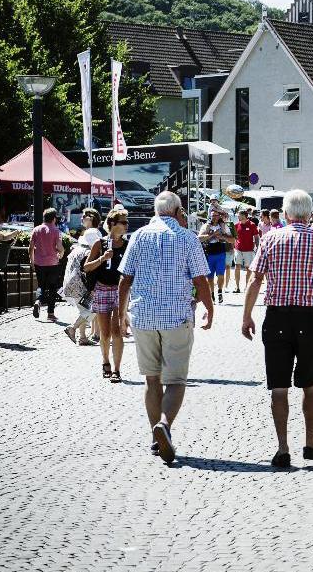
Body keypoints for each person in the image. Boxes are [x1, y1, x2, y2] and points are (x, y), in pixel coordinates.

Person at [243, 189, 313, 468]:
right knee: (310, 385)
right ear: (310, 214)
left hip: (277, 319)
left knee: (279, 388)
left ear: (285, 214)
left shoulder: (270, 239)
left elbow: (255, 280)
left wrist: (246, 315)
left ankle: (283, 448)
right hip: (309, 319)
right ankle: (310, 444)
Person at [118, 192, 214, 464]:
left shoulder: (138, 236)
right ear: (178, 211)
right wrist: (209, 307)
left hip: (144, 317)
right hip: (176, 317)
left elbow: (125, 279)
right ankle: (164, 425)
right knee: (175, 381)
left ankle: (154, 437)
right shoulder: (187, 237)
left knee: (151, 380)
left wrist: (121, 315)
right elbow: (200, 278)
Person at [84, 208, 129, 383]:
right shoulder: (100, 244)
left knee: (117, 331)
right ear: (112, 224)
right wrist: (103, 258)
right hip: (102, 289)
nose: (126, 225)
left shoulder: (127, 245)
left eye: (126, 222)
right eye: (123, 222)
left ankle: (117, 370)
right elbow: (87, 267)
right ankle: (105, 361)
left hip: (120, 290)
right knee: (105, 332)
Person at [60, 211, 102, 347]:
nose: (82, 218)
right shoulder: (89, 246)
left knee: (83, 311)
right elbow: (89, 270)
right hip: (81, 285)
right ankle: (72, 328)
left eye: (86, 217)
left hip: (71, 283)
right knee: (92, 309)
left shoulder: (80, 245)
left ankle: (82, 337)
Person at [29, 208, 65, 322]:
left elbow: (30, 248)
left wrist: (31, 260)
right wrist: (62, 253)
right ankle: (50, 314)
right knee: (52, 288)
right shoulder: (56, 231)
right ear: (54, 218)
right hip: (53, 263)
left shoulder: (36, 229)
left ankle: (38, 301)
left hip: (39, 262)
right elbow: (60, 247)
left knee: (41, 285)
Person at [198, 209, 232, 303]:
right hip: (209, 253)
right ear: (210, 216)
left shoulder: (223, 226)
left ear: (219, 216)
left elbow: (233, 239)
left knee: (221, 275)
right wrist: (213, 235)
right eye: (212, 215)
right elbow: (199, 238)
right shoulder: (205, 226)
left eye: (216, 215)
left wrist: (222, 237)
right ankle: (212, 293)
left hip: (220, 252)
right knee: (210, 277)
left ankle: (220, 291)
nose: (214, 217)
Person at [232, 209, 259, 294]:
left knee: (248, 268)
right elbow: (233, 237)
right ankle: (237, 287)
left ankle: (247, 286)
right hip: (238, 249)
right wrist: (232, 246)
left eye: (239, 215)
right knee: (237, 266)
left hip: (249, 250)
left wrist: (258, 247)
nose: (238, 216)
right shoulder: (236, 225)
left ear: (244, 216)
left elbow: (256, 237)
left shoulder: (252, 225)